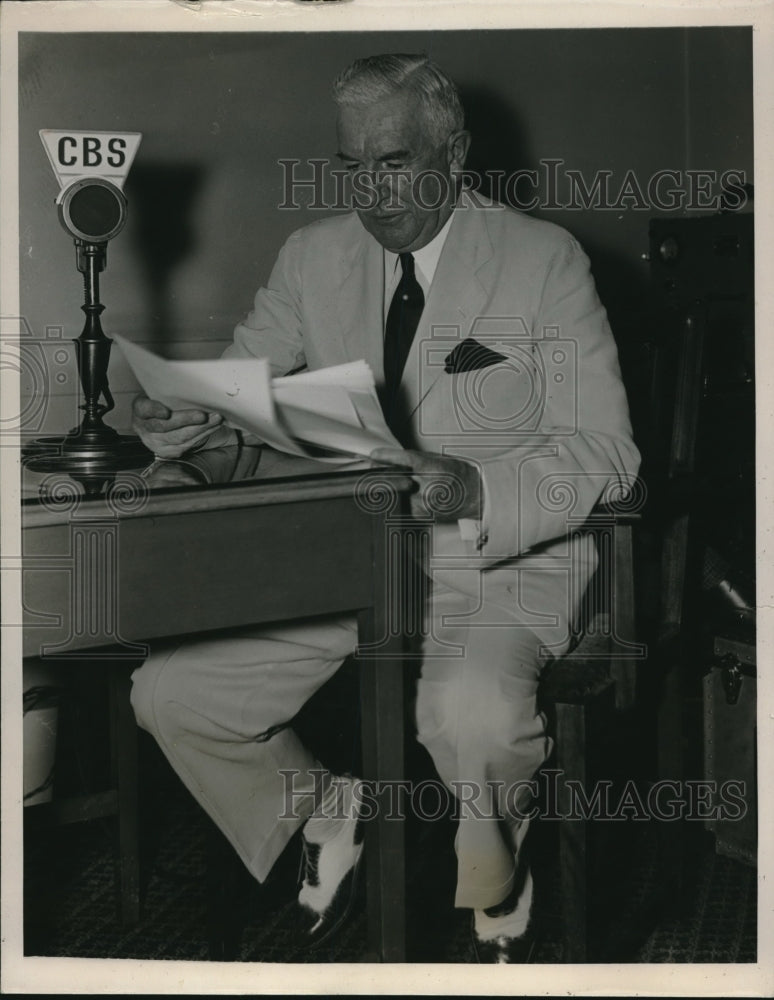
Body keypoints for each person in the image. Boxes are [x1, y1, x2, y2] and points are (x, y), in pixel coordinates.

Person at [130, 53, 640, 962]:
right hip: (350, 561)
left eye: (395, 162)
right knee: (174, 694)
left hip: (496, 561)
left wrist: (475, 486)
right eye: (352, 166)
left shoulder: (543, 259)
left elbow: (608, 453)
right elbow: (238, 393)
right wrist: (177, 417)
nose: (370, 191)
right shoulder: (312, 256)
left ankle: (497, 860)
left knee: (468, 714)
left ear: (456, 153)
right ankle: (332, 813)